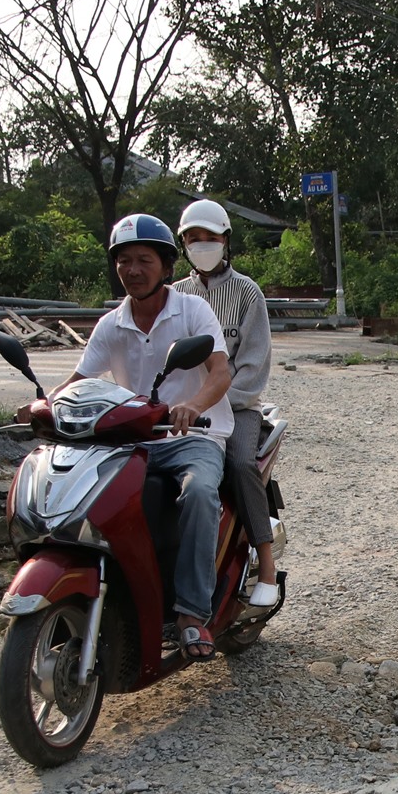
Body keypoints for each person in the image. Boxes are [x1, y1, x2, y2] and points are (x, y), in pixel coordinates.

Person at [46, 214, 234, 660]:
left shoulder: (192, 310)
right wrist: (43, 404)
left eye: (144, 260)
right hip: (132, 441)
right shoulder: (112, 323)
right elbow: (77, 379)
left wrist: (194, 406)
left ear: (166, 267)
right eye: (124, 260)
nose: (133, 269)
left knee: (201, 492)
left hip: (192, 437)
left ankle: (191, 613)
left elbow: (220, 372)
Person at [171, 199, 280, 608]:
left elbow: (253, 368)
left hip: (236, 407)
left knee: (237, 464)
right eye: (193, 239)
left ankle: (265, 563)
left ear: (225, 241)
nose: (202, 245)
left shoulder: (248, 293)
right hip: (183, 411)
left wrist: (210, 403)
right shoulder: (174, 295)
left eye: (210, 238)